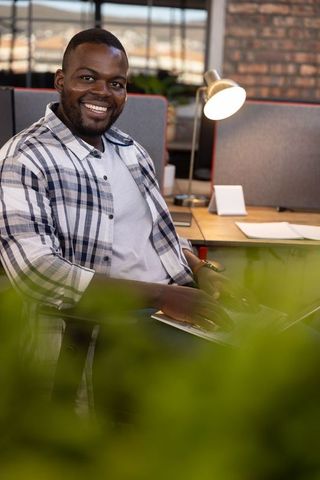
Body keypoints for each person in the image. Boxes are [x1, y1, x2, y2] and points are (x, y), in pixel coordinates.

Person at [0, 28, 243, 332]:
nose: (103, 91)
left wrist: (201, 268)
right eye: (88, 78)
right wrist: (162, 296)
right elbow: (36, 273)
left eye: (116, 83)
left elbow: (158, 233)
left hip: (179, 302)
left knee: (296, 340)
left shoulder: (132, 152)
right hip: (120, 324)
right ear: (61, 81)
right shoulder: (24, 158)